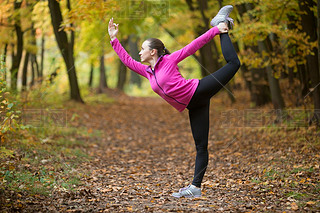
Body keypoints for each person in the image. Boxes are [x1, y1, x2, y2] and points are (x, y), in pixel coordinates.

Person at [108, 5, 240, 198]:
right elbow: (127, 61)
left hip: (199, 90)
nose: (139, 52)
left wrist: (215, 30)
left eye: (143, 49)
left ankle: (221, 23)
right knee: (201, 146)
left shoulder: (169, 60)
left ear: (153, 52)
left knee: (234, 64)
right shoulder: (147, 72)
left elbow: (193, 46)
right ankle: (195, 188)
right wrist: (113, 38)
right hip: (194, 105)